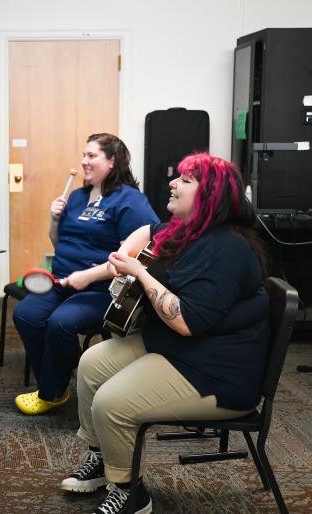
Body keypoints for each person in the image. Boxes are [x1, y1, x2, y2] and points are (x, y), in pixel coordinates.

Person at [61, 152, 269, 514]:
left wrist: (141, 274)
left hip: (216, 371)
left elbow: (186, 321)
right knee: (92, 364)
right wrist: (128, 251)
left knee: (112, 401)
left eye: (186, 180)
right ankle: (103, 456)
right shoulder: (186, 230)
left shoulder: (226, 250)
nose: (172, 182)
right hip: (181, 347)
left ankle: (131, 493)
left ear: (210, 198)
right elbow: (148, 231)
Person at [12, 133, 158, 415]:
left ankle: (52, 392)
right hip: (62, 281)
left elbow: (139, 255)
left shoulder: (131, 201)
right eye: (83, 155)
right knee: (26, 315)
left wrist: (88, 276)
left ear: (112, 161)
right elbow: (59, 243)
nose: (83, 161)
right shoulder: (78, 196)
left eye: (91, 156)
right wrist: (53, 220)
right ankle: (58, 381)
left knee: (60, 323)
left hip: (103, 289)